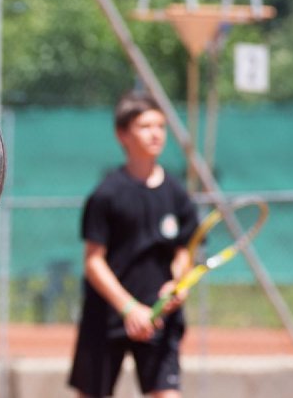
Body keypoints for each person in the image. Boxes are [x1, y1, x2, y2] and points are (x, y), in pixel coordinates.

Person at [68, 91, 198, 398]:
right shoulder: (107, 194)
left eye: (160, 126)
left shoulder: (178, 194)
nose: (155, 134)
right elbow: (93, 261)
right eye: (145, 126)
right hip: (107, 316)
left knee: (167, 393)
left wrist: (180, 283)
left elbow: (184, 251)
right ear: (122, 135)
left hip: (159, 317)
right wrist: (128, 308)